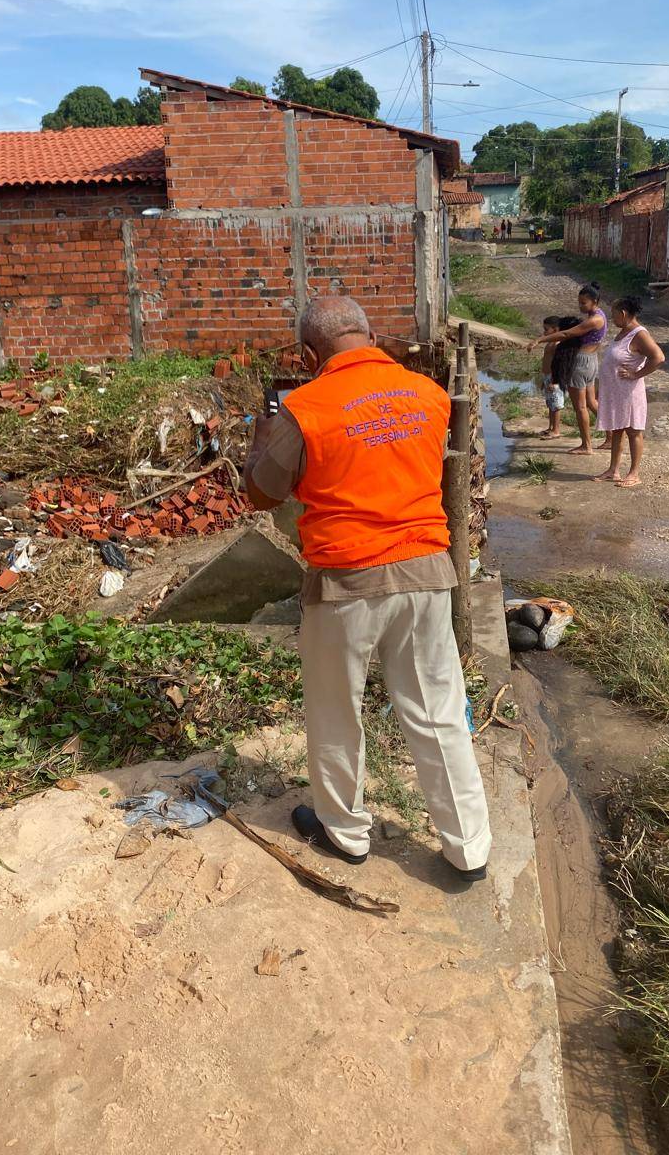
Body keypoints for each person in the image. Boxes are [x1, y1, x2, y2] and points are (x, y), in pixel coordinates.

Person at [244, 296, 492, 882]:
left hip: (346, 583)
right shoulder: (428, 394)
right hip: (427, 572)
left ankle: (345, 833)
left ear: (309, 355)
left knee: (336, 711)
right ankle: (469, 849)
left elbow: (262, 493)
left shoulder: (303, 409)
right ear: (371, 336)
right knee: (437, 713)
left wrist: (262, 435)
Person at [593, 296, 665, 488]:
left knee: (633, 431)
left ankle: (634, 473)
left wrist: (636, 374)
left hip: (629, 392)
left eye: (614, 314)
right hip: (616, 393)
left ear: (623, 313)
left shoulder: (640, 334)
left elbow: (658, 358)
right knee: (617, 429)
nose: (612, 318)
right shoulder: (623, 332)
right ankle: (613, 470)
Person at [532, 281, 607, 455]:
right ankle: (610, 437)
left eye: (583, 303)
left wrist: (539, 340)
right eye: (579, 302)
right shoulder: (600, 315)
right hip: (591, 361)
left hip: (581, 362)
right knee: (591, 402)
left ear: (595, 301)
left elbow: (567, 333)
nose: (580, 306)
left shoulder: (594, 320)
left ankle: (586, 445)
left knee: (580, 407)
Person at [538, 315, 565, 438]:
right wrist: (544, 380)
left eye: (546, 329)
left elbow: (559, 363)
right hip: (547, 376)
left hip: (554, 377)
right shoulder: (550, 342)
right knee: (550, 404)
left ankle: (556, 430)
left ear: (555, 329)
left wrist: (554, 381)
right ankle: (551, 427)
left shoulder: (557, 344)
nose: (544, 332)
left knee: (556, 405)